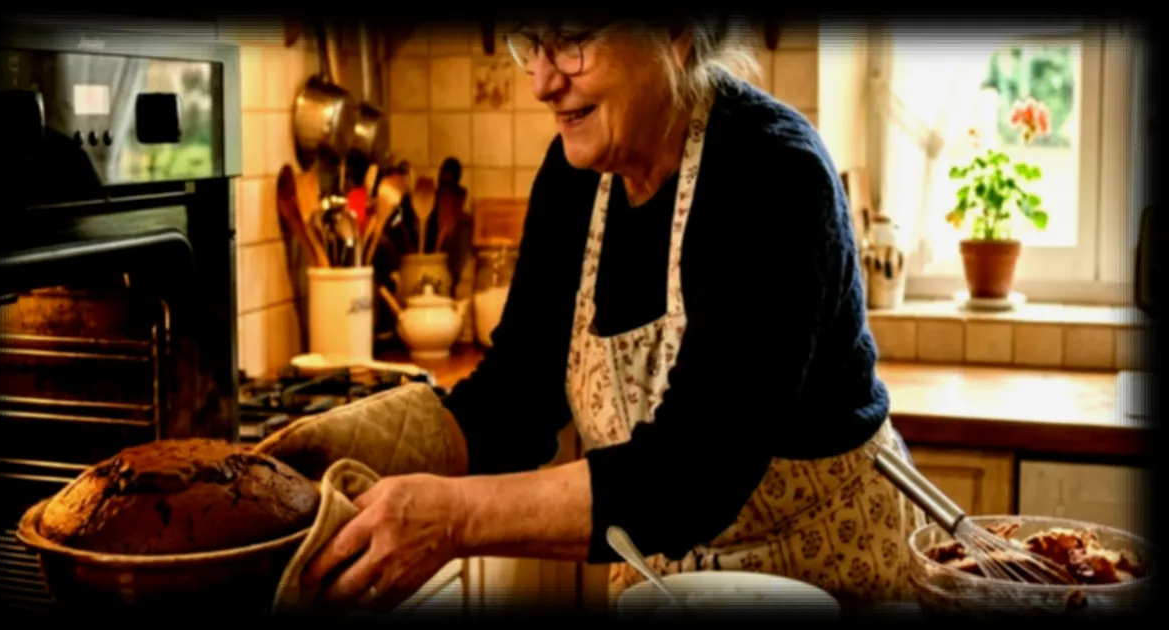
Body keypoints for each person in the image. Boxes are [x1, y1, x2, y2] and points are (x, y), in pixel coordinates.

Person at [300, 15, 926, 613]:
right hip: (663, 581)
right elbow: (513, 403)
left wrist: (456, 518)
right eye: (533, 43)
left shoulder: (774, 174)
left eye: (571, 39)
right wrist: (328, 452)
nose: (543, 82)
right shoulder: (575, 177)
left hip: (832, 577)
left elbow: (693, 472)